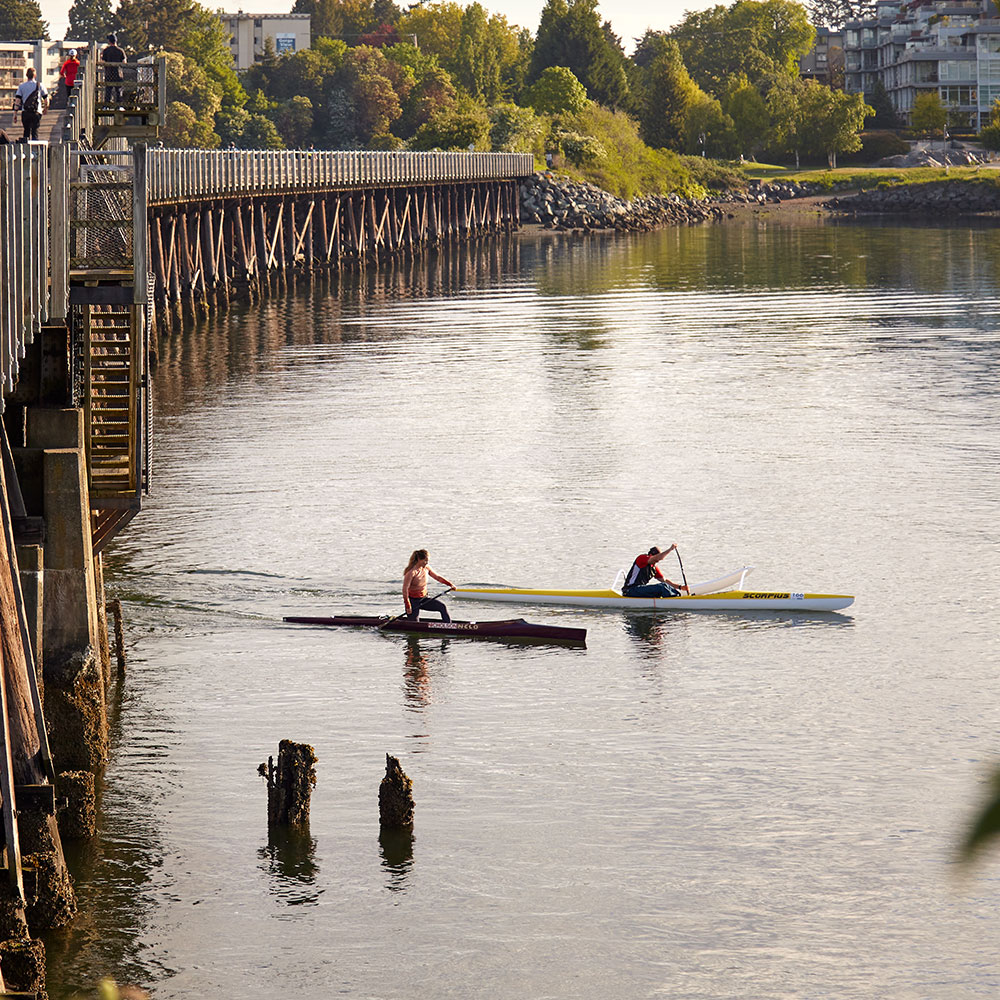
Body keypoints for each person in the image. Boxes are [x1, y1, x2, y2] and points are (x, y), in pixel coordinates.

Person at [402, 549, 454, 621]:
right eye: (425, 561)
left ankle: (449, 626)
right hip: (413, 601)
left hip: (424, 599)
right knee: (415, 623)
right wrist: (408, 605)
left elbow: (438, 578)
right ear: (419, 559)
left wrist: (450, 584)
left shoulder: (426, 568)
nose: (426, 563)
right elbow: (405, 590)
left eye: (428, 561)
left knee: (442, 607)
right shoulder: (411, 572)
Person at [621, 545, 689, 598]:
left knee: (664, 585)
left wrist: (680, 587)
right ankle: (675, 600)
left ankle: (677, 597)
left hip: (639, 590)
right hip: (630, 590)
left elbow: (664, 580)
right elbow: (659, 557)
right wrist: (670, 549)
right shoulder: (641, 558)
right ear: (651, 555)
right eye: (656, 559)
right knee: (661, 587)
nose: (657, 561)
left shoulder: (654, 568)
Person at [13, 68, 47, 143]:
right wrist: (45, 108)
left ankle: (25, 148)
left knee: (26, 131)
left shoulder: (21, 86)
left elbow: (17, 100)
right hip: (36, 112)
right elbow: (45, 98)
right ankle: (35, 149)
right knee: (35, 131)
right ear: (35, 75)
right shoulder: (40, 85)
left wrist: (15, 114)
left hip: (26, 112)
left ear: (26, 75)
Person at [102, 33, 126, 106]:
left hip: (109, 73)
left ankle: (107, 105)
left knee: (108, 90)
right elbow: (124, 62)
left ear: (109, 41)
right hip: (118, 73)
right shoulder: (120, 50)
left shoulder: (106, 50)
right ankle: (119, 105)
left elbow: (103, 61)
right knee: (118, 90)